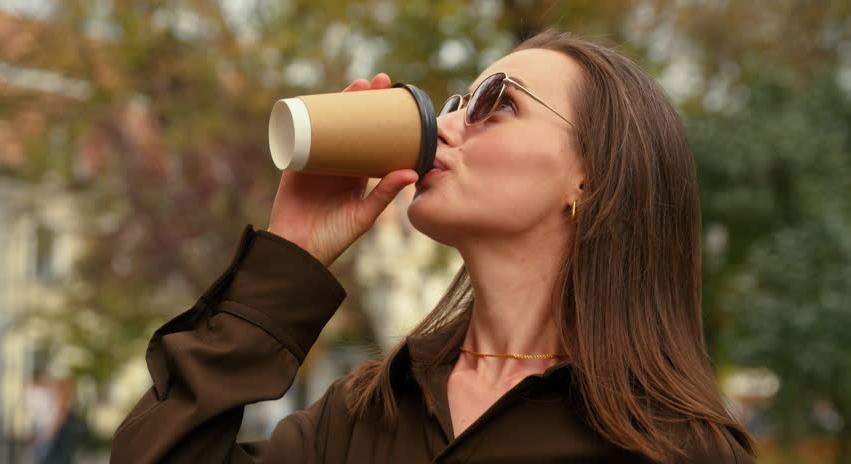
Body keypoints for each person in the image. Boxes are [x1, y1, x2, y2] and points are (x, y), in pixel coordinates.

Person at [110, 29, 757, 463]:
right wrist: (293, 251)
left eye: (493, 103)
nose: (441, 127)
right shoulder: (366, 413)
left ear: (593, 175)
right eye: (454, 102)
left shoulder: (678, 447)